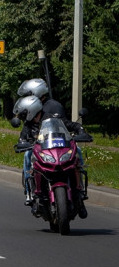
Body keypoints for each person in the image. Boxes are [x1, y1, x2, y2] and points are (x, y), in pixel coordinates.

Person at [13, 78, 87, 215]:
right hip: (42, 147)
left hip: (58, 144)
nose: (27, 98)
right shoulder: (30, 120)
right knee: (28, 155)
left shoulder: (53, 107)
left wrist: (80, 131)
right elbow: (24, 133)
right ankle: (30, 190)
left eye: (29, 94)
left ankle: (79, 190)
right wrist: (23, 142)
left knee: (77, 153)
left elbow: (63, 124)